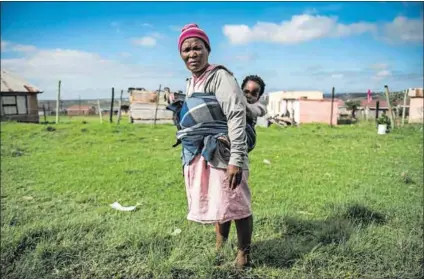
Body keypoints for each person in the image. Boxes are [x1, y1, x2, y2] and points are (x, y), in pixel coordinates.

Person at [174, 23, 255, 268]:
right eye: (186, 49)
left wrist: (236, 159)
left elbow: (236, 116)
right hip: (201, 154)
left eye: (197, 47)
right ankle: (219, 249)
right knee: (220, 202)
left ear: (207, 49)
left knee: (236, 201)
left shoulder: (220, 76)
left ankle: (243, 257)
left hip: (224, 151)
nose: (191, 54)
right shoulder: (191, 82)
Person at [241, 75, 267, 153]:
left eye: (254, 94)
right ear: (240, 91)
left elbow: (257, 110)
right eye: (246, 91)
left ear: (258, 98)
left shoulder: (256, 108)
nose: (249, 96)